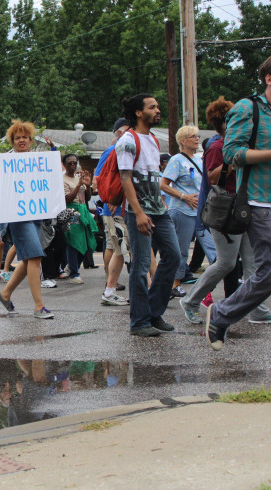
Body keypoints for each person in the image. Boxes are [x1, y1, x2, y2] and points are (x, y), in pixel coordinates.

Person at [181, 96, 271, 325]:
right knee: (226, 263)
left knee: (253, 263)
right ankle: (191, 300)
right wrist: (240, 159)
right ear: (225, 122)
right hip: (224, 211)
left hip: (245, 206)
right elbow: (211, 177)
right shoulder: (218, 146)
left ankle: (257, 309)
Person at [206, 56, 271, 350]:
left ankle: (222, 314)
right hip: (259, 202)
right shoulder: (249, 108)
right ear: (269, 78)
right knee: (267, 271)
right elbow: (233, 152)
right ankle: (221, 313)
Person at [117, 94, 180, 336]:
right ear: (138, 113)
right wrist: (140, 213)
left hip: (159, 210)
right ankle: (139, 322)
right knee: (142, 265)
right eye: (152, 107)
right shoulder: (128, 141)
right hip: (139, 212)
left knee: (173, 256)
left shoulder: (153, 139)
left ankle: (153, 312)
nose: (157, 110)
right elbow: (125, 179)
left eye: (157, 106)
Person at [0, 120, 55, 319]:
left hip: (36, 215)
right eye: (17, 138)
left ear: (30, 140)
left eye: (24, 137)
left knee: (29, 260)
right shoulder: (5, 163)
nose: (21, 141)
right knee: (35, 256)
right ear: (12, 141)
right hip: (17, 217)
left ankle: (5, 293)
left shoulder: (38, 161)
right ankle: (39, 306)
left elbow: (50, 181)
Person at [160, 125, 217, 299]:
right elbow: (163, 185)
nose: (197, 139)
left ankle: (210, 285)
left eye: (197, 136)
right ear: (183, 141)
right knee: (181, 250)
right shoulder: (176, 160)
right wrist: (184, 196)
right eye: (193, 136)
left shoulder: (201, 159)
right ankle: (174, 284)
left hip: (201, 213)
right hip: (182, 211)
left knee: (213, 249)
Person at [94, 118, 131, 306]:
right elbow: (98, 178)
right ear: (118, 132)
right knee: (113, 246)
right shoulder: (111, 151)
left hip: (127, 206)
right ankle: (110, 283)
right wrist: (109, 200)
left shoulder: (131, 147)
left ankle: (111, 286)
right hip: (113, 207)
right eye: (127, 130)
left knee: (117, 247)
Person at [62, 153, 97, 285]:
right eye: (70, 163)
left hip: (83, 210)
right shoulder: (63, 179)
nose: (72, 165)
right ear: (64, 165)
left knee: (89, 243)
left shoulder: (79, 177)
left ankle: (72, 265)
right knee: (74, 242)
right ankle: (74, 273)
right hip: (71, 211)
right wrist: (78, 185)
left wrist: (87, 186)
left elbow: (87, 198)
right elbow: (67, 199)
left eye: (74, 163)